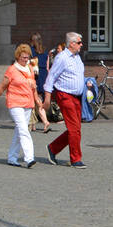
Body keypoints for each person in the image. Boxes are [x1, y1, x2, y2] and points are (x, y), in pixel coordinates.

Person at [0, 43, 44, 167]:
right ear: (18, 57)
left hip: (28, 103)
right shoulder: (12, 70)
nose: (26, 60)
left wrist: (37, 100)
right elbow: (1, 87)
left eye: (27, 57)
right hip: (15, 103)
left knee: (19, 131)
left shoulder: (30, 68)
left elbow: (33, 87)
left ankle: (12, 157)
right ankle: (29, 158)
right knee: (24, 130)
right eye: (23, 57)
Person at [43, 31, 85, 167]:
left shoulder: (77, 57)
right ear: (71, 44)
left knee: (76, 129)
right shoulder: (62, 58)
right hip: (65, 95)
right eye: (79, 42)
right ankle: (76, 159)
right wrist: (47, 97)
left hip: (77, 96)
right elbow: (51, 76)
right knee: (74, 129)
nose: (81, 45)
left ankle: (53, 148)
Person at [29, 32, 51, 133]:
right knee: (37, 100)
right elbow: (47, 68)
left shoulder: (31, 51)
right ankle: (33, 124)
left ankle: (43, 121)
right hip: (44, 76)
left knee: (35, 101)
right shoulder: (45, 53)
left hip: (35, 77)